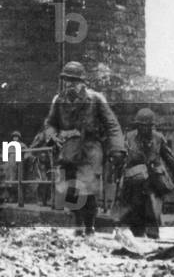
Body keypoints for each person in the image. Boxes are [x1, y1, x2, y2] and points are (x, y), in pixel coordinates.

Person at [43, 61, 126, 236]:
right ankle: (78, 224)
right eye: (67, 80)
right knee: (69, 189)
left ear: (82, 82)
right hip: (68, 149)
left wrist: (117, 148)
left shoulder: (96, 99)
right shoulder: (59, 100)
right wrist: (52, 136)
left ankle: (89, 227)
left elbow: (112, 125)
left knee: (87, 189)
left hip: (90, 149)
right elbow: (50, 123)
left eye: (74, 81)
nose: (70, 84)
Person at [117, 108, 174, 239]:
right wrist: (117, 175)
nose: (144, 129)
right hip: (135, 182)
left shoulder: (158, 138)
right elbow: (121, 159)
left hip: (154, 181)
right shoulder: (129, 137)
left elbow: (171, 160)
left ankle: (153, 238)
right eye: (141, 126)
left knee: (153, 213)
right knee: (135, 215)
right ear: (137, 125)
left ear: (152, 126)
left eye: (148, 126)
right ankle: (137, 238)